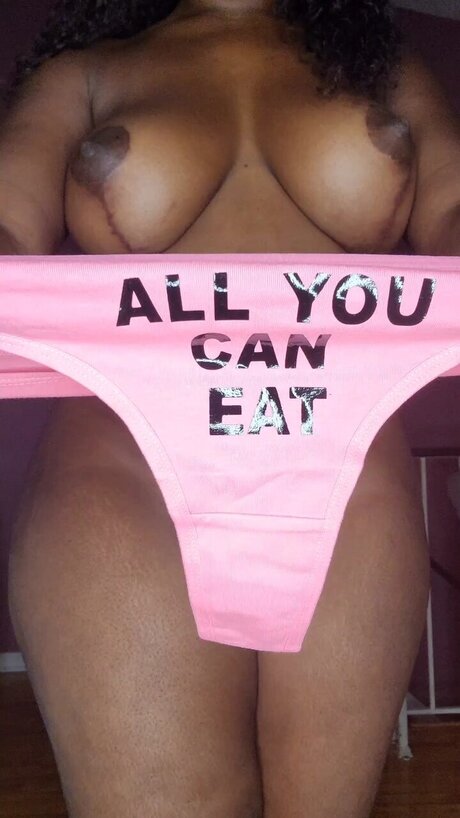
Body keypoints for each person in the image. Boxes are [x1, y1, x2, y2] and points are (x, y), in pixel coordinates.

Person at [2, 1, 460, 815]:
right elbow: (8, 224)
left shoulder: (386, 69)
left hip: (348, 476)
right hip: (126, 469)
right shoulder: (87, 72)